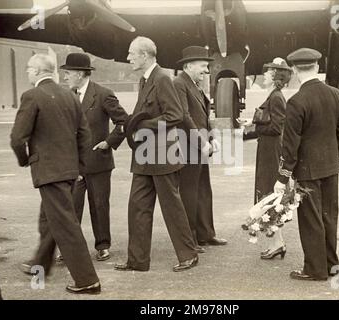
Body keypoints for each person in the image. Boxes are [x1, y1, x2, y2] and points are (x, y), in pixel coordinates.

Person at [10, 54, 100, 294]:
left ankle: (87, 280)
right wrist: (79, 168)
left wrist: (26, 160)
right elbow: (85, 135)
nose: (27, 72)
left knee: (65, 225)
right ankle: (40, 263)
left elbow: (18, 138)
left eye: (29, 68)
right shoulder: (70, 95)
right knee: (50, 219)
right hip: (69, 171)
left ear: (40, 71)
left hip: (50, 172)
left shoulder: (32, 96)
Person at [114, 37, 198, 272]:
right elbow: (141, 113)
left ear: (145, 55)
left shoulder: (161, 78)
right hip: (145, 154)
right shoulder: (146, 79)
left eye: (131, 53)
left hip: (162, 154)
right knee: (137, 206)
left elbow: (175, 116)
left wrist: (143, 127)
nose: (128, 57)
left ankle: (188, 254)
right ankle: (138, 260)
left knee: (172, 208)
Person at [274, 48, 339, 281]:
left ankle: (315, 269)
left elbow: (290, 144)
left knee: (311, 219)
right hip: (331, 167)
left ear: (295, 71)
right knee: (329, 216)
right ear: (317, 67)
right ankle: (330, 264)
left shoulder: (297, 101)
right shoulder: (335, 94)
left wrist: (283, 176)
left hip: (307, 171)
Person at [59, 53, 128, 262]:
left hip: (99, 162)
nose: (65, 77)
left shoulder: (103, 94)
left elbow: (123, 121)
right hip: (74, 165)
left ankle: (103, 245)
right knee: (71, 207)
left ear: (80, 74)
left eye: (68, 73)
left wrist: (109, 142)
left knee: (99, 206)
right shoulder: (67, 95)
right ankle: (69, 248)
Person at [173, 46, 227, 252]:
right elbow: (184, 117)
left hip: (200, 146)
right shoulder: (179, 84)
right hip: (188, 147)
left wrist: (212, 138)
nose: (206, 70)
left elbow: (204, 116)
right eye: (203, 66)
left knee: (203, 190)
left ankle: (206, 234)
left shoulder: (194, 85)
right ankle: (191, 238)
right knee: (189, 192)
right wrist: (201, 142)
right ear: (188, 66)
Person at [253, 57, 291, 259]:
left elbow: (276, 128)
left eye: (269, 72)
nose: (265, 74)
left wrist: (257, 122)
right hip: (269, 150)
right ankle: (278, 242)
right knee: (269, 195)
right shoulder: (274, 95)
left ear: (275, 77)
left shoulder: (276, 97)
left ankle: (277, 244)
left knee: (270, 195)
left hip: (271, 152)